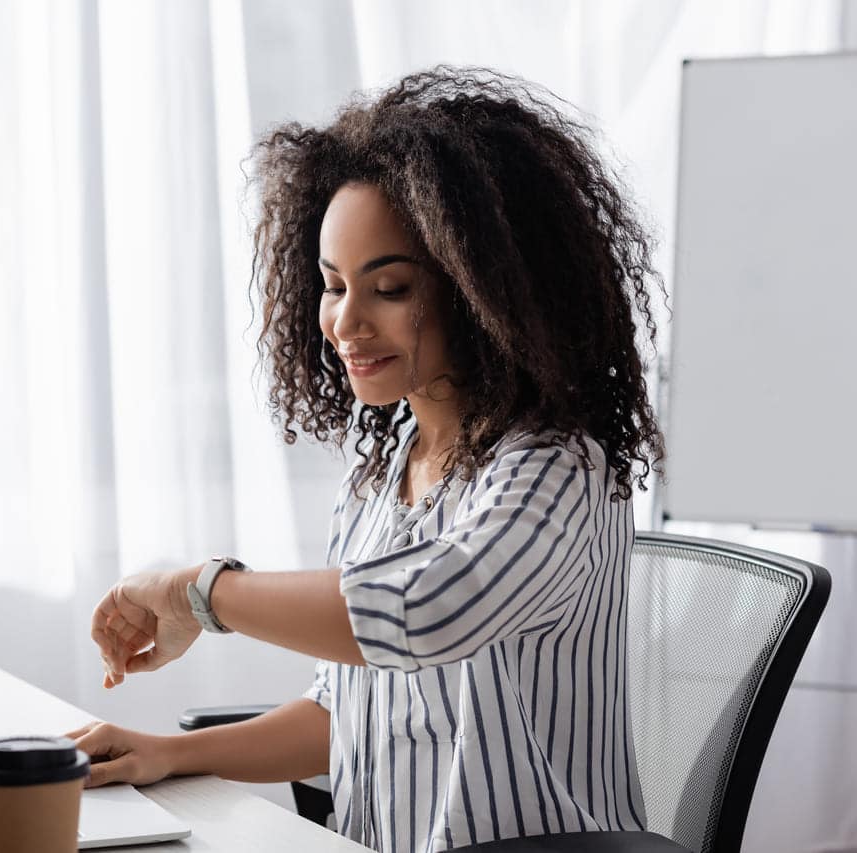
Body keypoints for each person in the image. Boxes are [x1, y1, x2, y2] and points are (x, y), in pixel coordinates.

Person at [66, 65, 665, 852]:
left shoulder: (559, 467)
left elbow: (425, 608)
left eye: (388, 288)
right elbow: (346, 710)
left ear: (486, 289)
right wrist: (167, 753)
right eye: (332, 285)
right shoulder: (386, 471)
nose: (345, 322)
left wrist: (198, 593)